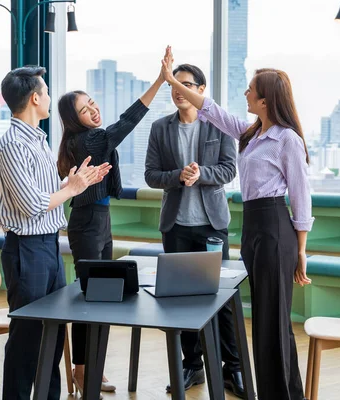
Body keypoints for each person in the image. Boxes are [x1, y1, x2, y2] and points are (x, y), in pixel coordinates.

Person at [161, 48, 314, 400]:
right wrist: (171, 80)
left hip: (275, 227)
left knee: (273, 323)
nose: (245, 93)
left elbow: (301, 196)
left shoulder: (287, 139)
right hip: (255, 229)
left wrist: (302, 250)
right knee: (263, 320)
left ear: (265, 99)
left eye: (250, 90)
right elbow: (210, 110)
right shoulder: (252, 134)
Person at [56, 48, 169, 397]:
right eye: (84, 109)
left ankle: (89, 367)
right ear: (73, 120)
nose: (93, 110)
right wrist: (161, 81)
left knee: (100, 295)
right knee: (92, 295)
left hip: (99, 219)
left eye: (92, 103)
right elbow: (128, 121)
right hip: (88, 222)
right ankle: (82, 370)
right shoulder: (89, 138)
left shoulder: (89, 138)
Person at [0, 65, 111, 400]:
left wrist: (76, 183)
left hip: (48, 246)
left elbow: (44, 194)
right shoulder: (14, 144)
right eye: (45, 92)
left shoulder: (38, 140)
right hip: (27, 250)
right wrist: (72, 188)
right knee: (28, 338)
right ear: (34, 98)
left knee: (54, 334)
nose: (48, 97)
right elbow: (32, 205)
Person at [144, 63, 245, 398]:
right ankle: (192, 365)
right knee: (180, 300)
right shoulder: (160, 128)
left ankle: (234, 369)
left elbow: (230, 169)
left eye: (185, 84)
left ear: (201, 90)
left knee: (222, 299)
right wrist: (178, 176)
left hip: (212, 226)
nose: (178, 90)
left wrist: (201, 174)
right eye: (174, 84)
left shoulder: (218, 124)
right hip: (176, 228)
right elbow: (151, 175)